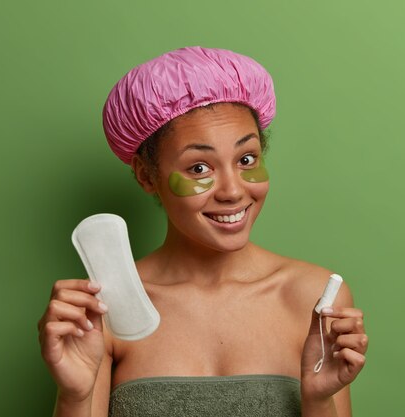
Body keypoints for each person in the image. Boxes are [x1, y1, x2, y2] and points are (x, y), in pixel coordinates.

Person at [38, 46, 368, 417]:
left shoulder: (316, 298)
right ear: (147, 176)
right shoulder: (111, 305)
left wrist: (319, 400)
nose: (232, 191)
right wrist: (75, 396)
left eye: (247, 160)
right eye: (198, 168)